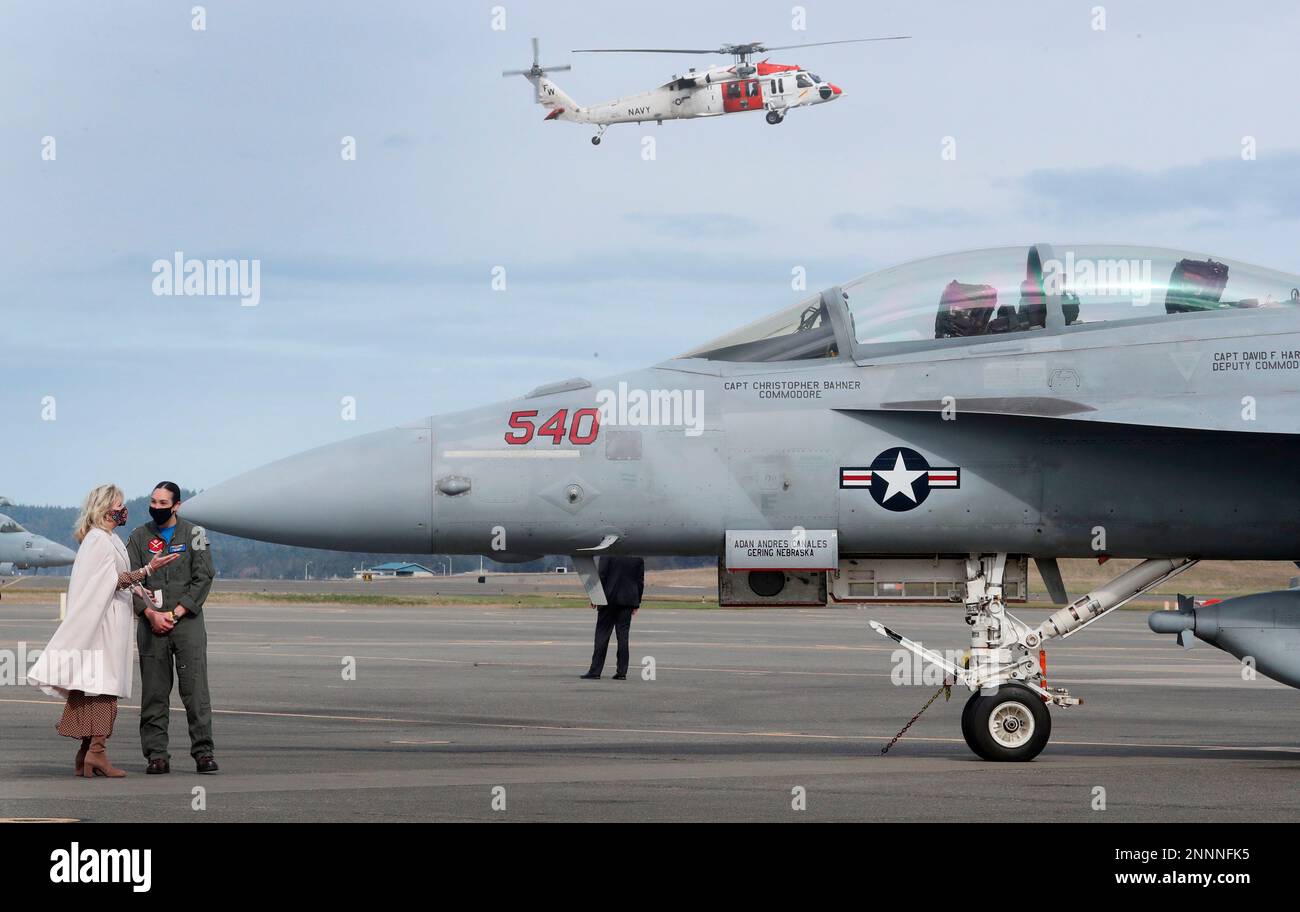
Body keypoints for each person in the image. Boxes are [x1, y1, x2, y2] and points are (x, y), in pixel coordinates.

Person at [27, 484, 177, 777]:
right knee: (104, 687)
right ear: (107, 508)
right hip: (104, 624)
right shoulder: (98, 540)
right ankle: (96, 753)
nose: (124, 511)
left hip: (109, 618)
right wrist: (147, 570)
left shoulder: (108, 538)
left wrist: (141, 587)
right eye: (119, 505)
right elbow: (111, 581)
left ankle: (85, 756)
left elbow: (113, 580)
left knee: (95, 687)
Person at [127, 481, 217, 774]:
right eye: (153, 501)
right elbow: (131, 581)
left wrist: (176, 613)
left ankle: (203, 752)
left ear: (176, 505)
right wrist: (150, 615)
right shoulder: (139, 537)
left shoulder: (195, 535)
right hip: (151, 625)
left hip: (186, 622)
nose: (156, 507)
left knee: (195, 691)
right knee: (154, 692)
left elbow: (203, 577)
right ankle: (156, 755)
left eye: (163, 503)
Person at [580, 556, 645, 681]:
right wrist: (637, 602)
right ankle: (622, 672)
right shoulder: (637, 555)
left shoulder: (608, 553)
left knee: (602, 636)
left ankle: (595, 671)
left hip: (608, 599)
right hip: (628, 600)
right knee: (623, 637)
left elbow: (602, 575)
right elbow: (640, 581)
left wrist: (595, 596)